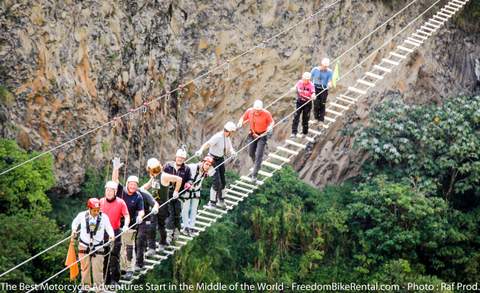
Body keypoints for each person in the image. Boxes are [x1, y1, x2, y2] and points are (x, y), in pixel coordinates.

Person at [111, 158, 144, 281]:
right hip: (118, 224)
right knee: (120, 247)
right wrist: (116, 169)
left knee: (129, 247)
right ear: (128, 184)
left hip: (130, 225)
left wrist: (140, 217)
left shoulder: (138, 196)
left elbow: (141, 210)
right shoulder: (122, 191)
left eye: (135, 185)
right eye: (131, 184)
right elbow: (115, 180)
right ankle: (123, 268)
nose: (133, 186)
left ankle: (130, 269)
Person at [71, 198, 114, 291]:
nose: (96, 212)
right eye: (94, 210)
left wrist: (111, 235)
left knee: (97, 269)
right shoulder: (82, 215)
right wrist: (74, 229)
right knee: (84, 268)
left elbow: (109, 227)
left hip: (98, 246)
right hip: (84, 245)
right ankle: (85, 287)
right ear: (89, 209)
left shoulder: (104, 217)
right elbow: (75, 222)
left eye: (98, 210)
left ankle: (99, 288)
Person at [142, 158, 182, 250]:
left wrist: (176, 191)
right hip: (153, 205)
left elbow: (179, 179)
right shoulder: (154, 177)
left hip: (163, 205)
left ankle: (162, 242)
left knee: (161, 226)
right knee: (151, 226)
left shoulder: (164, 176)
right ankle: (151, 247)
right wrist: (138, 189)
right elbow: (147, 186)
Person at [195, 121, 237, 208]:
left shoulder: (227, 137)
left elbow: (230, 147)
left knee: (223, 181)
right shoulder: (218, 137)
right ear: (229, 131)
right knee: (216, 181)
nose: (232, 134)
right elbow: (207, 144)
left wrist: (232, 152)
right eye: (232, 132)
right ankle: (212, 202)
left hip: (220, 159)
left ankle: (221, 200)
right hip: (212, 160)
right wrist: (201, 150)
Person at [99, 181, 130, 286]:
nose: (108, 192)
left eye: (110, 190)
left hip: (116, 232)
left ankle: (115, 280)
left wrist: (125, 225)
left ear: (115, 191)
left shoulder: (121, 202)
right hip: (103, 232)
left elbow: (126, 215)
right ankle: (106, 280)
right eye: (107, 190)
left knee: (114, 257)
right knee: (104, 257)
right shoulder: (101, 202)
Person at [237, 99, 274, 182]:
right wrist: (240, 122)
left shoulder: (266, 114)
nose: (257, 111)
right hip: (253, 134)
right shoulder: (250, 111)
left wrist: (270, 127)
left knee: (259, 156)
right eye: (256, 109)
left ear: (261, 109)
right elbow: (243, 117)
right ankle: (257, 164)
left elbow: (272, 122)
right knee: (250, 153)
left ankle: (254, 175)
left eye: (258, 110)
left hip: (262, 136)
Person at [163, 148, 192, 241]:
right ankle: (168, 234)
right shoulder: (168, 166)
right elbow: (162, 176)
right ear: (176, 157)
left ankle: (176, 231)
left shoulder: (186, 169)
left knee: (177, 213)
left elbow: (190, 179)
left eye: (182, 158)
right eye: (179, 157)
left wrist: (189, 184)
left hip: (180, 194)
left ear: (184, 159)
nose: (180, 159)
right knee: (170, 213)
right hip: (168, 192)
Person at [182, 156, 215, 235]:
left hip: (196, 190)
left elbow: (214, 171)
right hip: (187, 190)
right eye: (206, 164)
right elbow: (183, 170)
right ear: (202, 162)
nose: (208, 167)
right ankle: (186, 227)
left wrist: (209, 170)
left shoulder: (207, 170)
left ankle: (192, 227)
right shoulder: (193, 167)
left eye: (209, 165)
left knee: (194, 209)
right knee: (186, 209)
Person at [135, 188, 159, 270]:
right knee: (134, 241)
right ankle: (136, 260)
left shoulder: (144, 194)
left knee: (140, 239)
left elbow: (154, 203)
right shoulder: (127, 194)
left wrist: (155, 208)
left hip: (146, 219)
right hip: (135, 220)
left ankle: (139, 263)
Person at [291, 72, 315, 138]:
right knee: (296, 116)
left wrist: (313, 95)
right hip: (299, 101)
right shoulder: (299, 82)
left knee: (305, 118)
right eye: (304, 79)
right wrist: (293, 89)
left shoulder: (311, 85)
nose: (305, 81)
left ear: (309, 79)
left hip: (307, 103)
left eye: (307, 79)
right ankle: (294, 132)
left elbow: (313, 92)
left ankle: (304, 132)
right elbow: (296, 87)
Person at [311, 58, 333, 123]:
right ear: (322, 64)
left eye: (326, 66)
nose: (325, 67)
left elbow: (330, 80)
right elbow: (310, 77)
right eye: (324, 66)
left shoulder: (329, 72)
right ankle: (316, 118)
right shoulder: (315, 70)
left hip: (324, 89)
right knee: (316, 104)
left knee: (322, 104)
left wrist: (329, 84)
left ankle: (321, 120)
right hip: (315, 88)